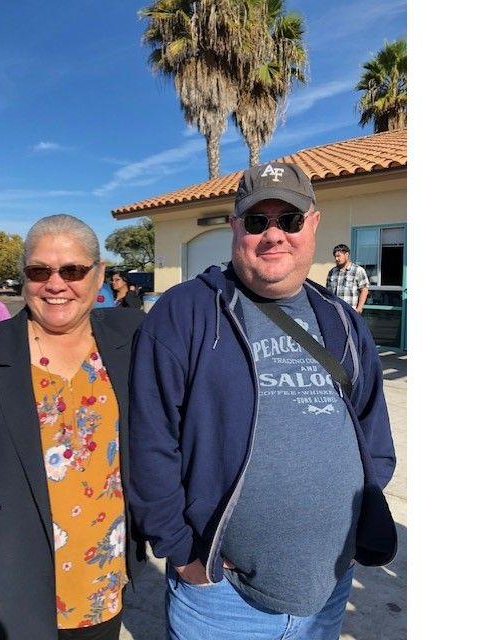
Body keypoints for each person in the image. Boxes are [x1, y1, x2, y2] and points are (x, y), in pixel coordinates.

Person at [128, 162, 397, 640]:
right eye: (257, 221)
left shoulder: (342, 321)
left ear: (312, 224)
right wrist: (183, 552)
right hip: (220, 600)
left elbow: (372, 426)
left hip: (329, 587)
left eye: (289, 220)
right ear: (236, 228)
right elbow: (149, 441)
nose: (274, 235)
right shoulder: (184, 313)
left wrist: (361, 515)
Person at [0, 215, 146, 640]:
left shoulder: (133, 338)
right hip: (5, 595)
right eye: (39, 271)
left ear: (99, 274)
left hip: (101, 592)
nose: (56, 283)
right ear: (24, 276)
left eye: (73, 270)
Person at [326, 244, 370, 313]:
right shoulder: (332, 272)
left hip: (350, 311)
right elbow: (328, 292)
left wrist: (359, 308)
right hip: (334, 310)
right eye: (335, 256)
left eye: (338, 256)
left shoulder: (358, 270)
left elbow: (364, 290)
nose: (336, 259)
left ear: (346, 254)